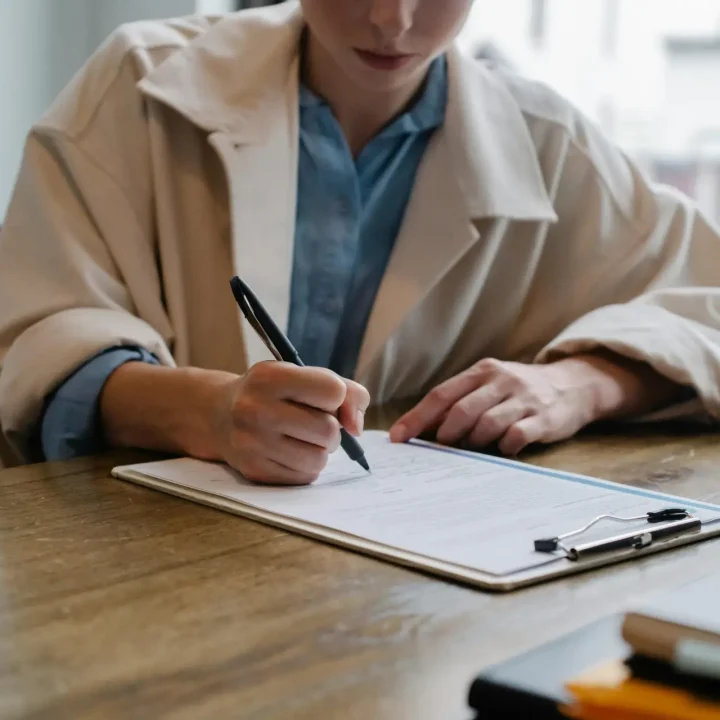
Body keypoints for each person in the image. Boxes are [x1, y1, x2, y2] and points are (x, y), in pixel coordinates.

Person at [1, 0, 719, 484]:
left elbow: (707, 301)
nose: (391, 20)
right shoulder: (137, 83)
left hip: (417, 588)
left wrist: (578, 383)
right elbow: (35, 342)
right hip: (144, 564)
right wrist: (209, 414)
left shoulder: (551, 146)